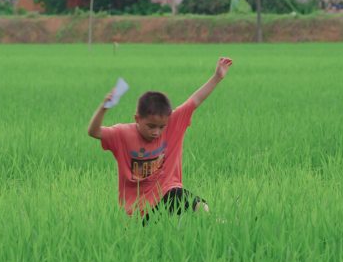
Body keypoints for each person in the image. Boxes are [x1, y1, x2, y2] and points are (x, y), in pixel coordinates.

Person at [87, 57, 233, 222]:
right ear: (137, 118)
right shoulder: (122, 134)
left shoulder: (173, 123)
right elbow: (94, 131)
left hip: (168, 191)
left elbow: (195, 100)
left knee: (199, 207)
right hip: (138, 208)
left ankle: (216, 224)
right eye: (151, 126)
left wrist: (217, 77)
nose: (156, 132)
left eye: (161, 127)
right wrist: (104, 106)